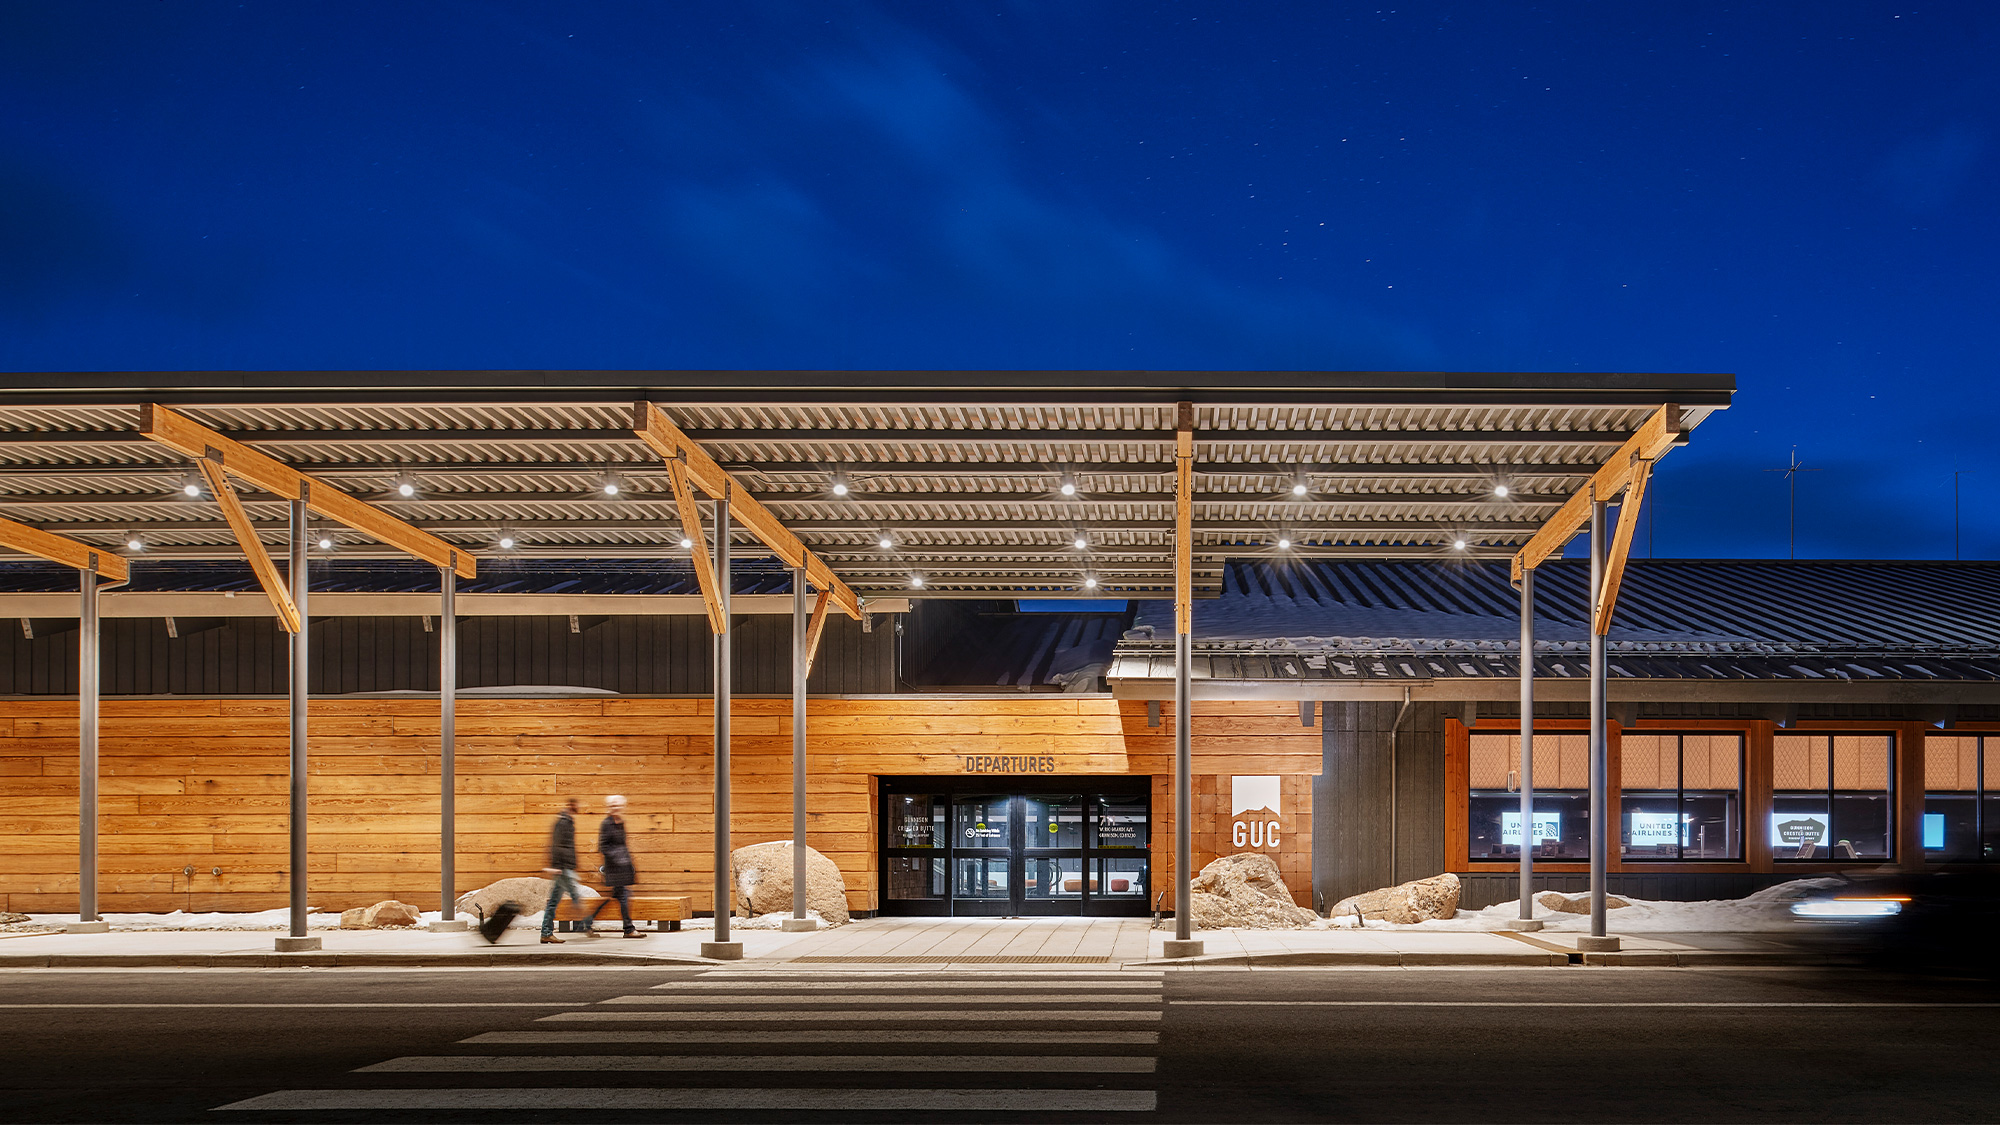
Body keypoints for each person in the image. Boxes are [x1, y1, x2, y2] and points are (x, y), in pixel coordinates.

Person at [586, 794, 646, 938]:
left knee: (617, 897)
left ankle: (587, 923)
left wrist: (629, 863)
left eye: (618, 805)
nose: (616, 807)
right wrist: (618, 858)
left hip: (623, 867)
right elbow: (603, 846)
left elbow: (623, 845)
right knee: (624, 897)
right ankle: (629, 929)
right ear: (609, 808)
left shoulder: (620, 823)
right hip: (614, 868)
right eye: (613, 805)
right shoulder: (606, 823)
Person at [538, 798, 591, 944]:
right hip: (563, 868)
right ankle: (588, 926)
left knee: (555, 901)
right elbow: (557, 845)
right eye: (577, 806)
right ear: (572, 807)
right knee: (575, 897)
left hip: (565, 867)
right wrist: (557, 867)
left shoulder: (567, 822)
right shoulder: (563, 822)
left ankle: (546, 933)